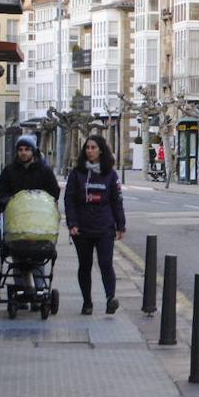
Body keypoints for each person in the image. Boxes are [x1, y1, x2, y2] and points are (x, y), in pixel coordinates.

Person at [64, 135, 126, 315]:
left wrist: (120, 224)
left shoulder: (110, 174)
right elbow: (69, 200)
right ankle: (87, 302)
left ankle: (110, 299)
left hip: (104, 226)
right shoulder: (77, 174)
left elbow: (117, 201)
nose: (89, 151)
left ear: (101, 150)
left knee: (106, 263)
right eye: (87, 148)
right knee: (85, 265)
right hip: (82, 227)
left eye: (93, 147)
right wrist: (72, 223)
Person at [0, 134, 61, 210]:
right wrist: (9, 199)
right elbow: (1, 192)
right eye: (20, 150)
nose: (23, 153)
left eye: (27, 149)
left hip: (39, 212)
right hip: (15, 212)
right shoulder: (9, 171)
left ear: (33, 151)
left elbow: (54, 191)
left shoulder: (45, 171)